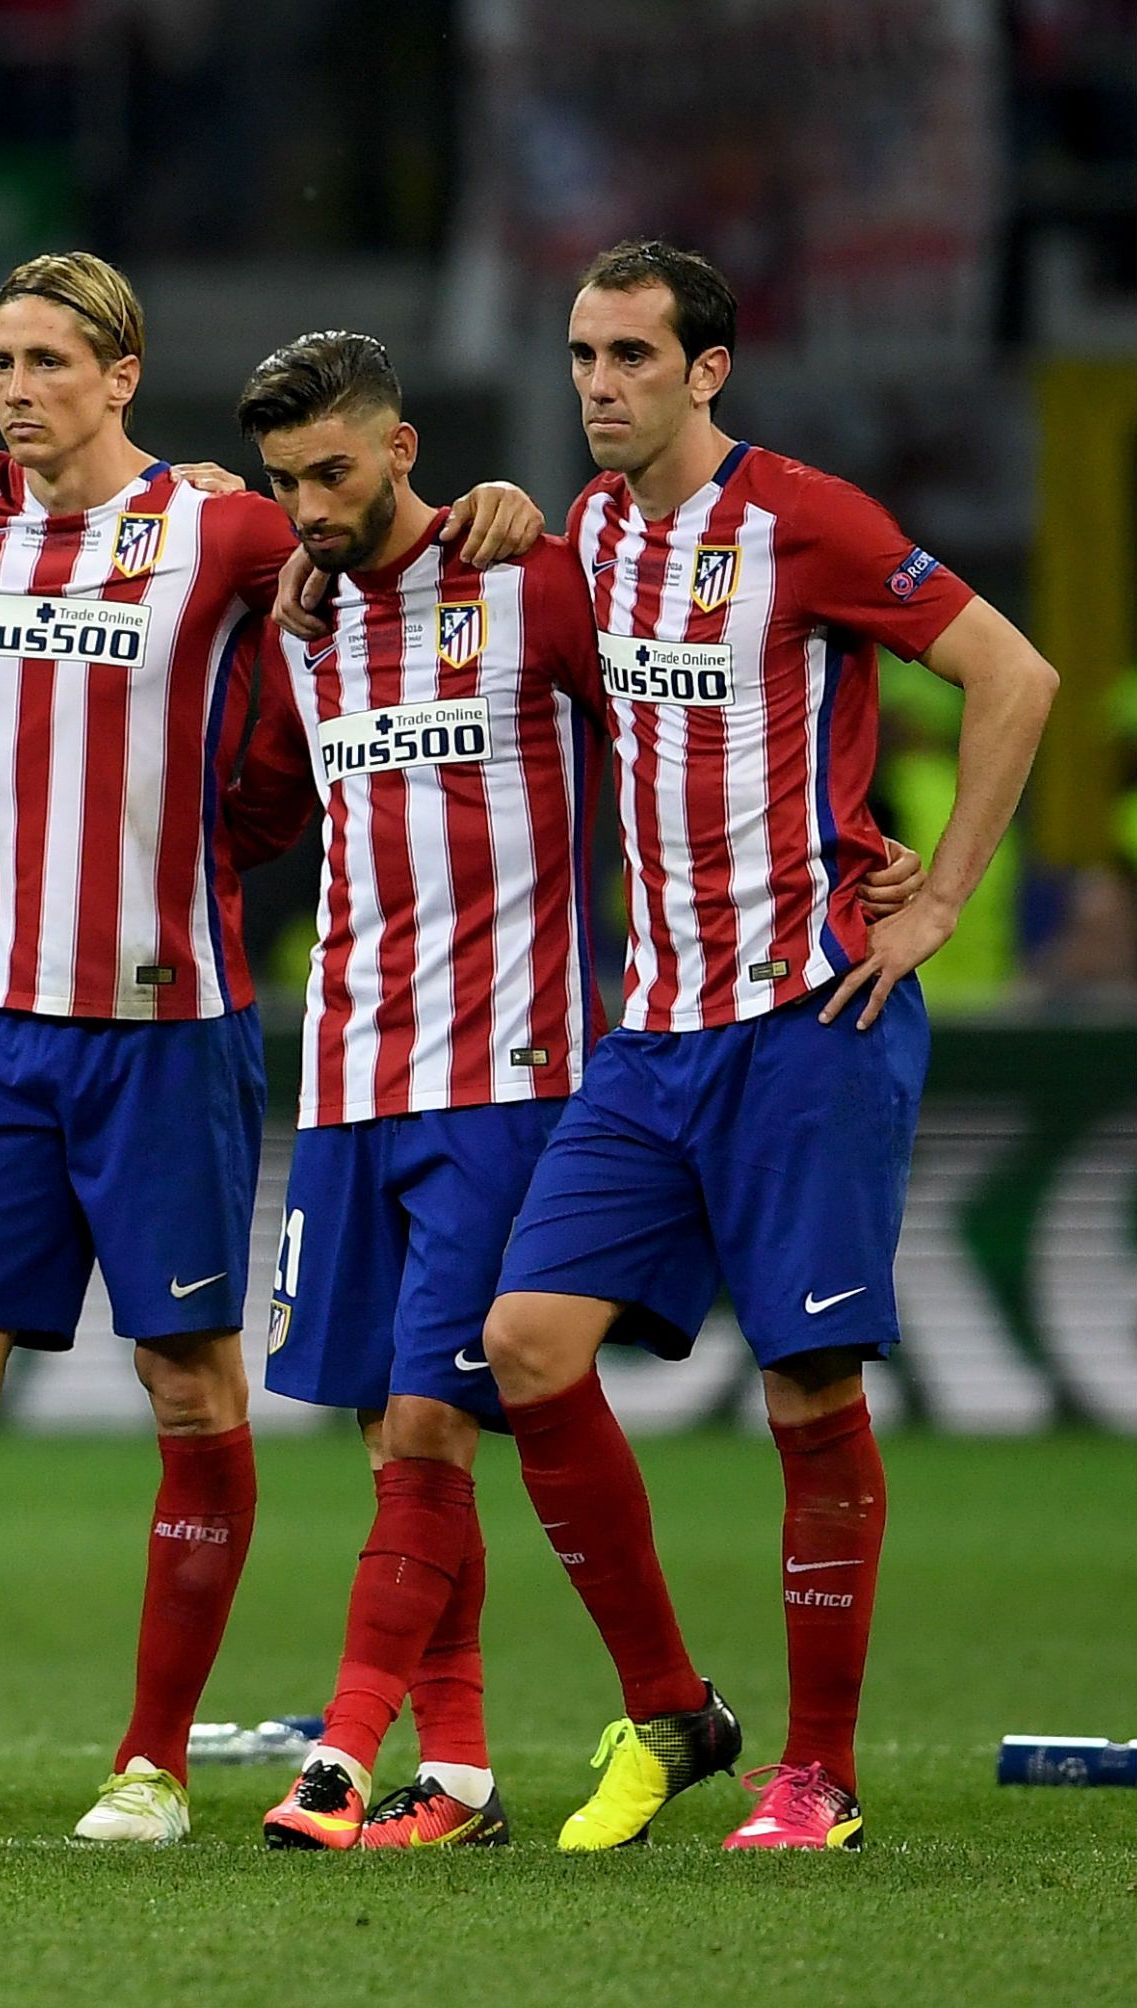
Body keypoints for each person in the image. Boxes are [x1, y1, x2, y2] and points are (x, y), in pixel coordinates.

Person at [0, 252, 542, 1847]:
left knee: (190, 1385)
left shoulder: (219, 526)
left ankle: (146, 1766)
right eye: (0, 358)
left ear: (122, 376)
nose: (16, 387)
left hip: (167, 1023)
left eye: (50, 360)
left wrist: (501, 506)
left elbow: (375, 541)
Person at [453, 241, 1056, 1852]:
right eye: (581, 354)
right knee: (525, 1348)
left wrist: (936, 907)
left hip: (808, 1021)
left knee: (804, 1394)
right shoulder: (590, 535)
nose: (597, 383)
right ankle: (675, 1711)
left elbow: (1014, 672)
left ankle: (823, 1774)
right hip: (649, 1040)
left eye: (632, 356)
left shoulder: (806, 520)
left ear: (707, 369)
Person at [218, 330, 606, 1850]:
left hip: (502, 1074)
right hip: (344, 1076)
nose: (309, 506)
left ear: (402, 448)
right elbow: (259, 804)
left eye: (332, 471)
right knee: (392, 1441)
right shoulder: (302, 626)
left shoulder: (530, 580)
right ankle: (459, 1776)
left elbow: (677, 730)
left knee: (435, 1433)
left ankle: (342, 1753)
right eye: (284, 481)